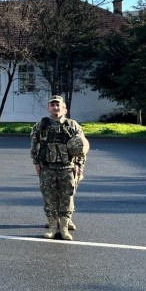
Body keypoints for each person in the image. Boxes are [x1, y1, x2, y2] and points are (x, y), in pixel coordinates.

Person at [30, 95, 88, 241]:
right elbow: (34, 145)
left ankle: (64, 226)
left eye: (58, 105)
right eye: (52, 105)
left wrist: (80, 165)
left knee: (67, 197)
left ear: (64, 109)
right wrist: (36, 163)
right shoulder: (41, 125)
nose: (55, 107)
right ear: (49, 108)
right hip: (47, 167)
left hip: (67, 167)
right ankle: (52, 226)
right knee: (49, 196)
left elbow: (82, 147)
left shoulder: (72, 125)